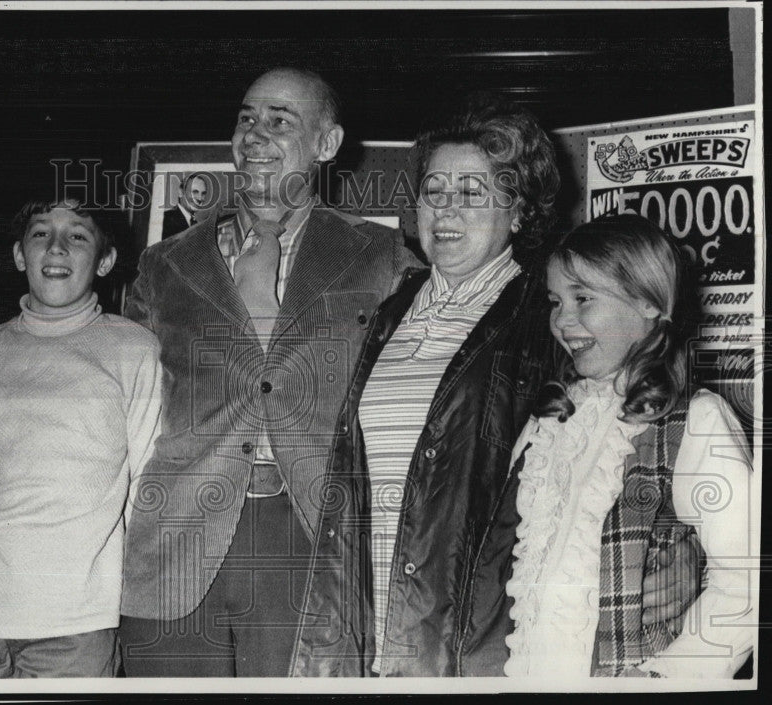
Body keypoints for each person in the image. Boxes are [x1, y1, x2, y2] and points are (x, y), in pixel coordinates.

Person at [0, 67, 421, 677]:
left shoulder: (381, 257)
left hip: (312, 535)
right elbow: (88, 346)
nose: (255, 134)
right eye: (246, 118)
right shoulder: (165, 263)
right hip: (176, 539)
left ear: (326, 144)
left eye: (279, 120)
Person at [291, 95, 701, 677]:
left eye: (472, 192)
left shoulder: (549, 314)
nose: (447, 209)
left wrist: (684, 546)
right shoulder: (391, 312)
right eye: (435, 190)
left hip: (483, 639)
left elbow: (644, 421)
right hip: (366, 621)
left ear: (518, 210)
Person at [503, 214, 753, 678]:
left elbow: (749, 578)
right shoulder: (551, 419)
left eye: (583, 299)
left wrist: (670, 677)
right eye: (556, 301)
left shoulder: (695, 420)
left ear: (648, 302)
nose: (562, 320)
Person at [0, 199, 163, 678]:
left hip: (75, 627)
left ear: (105, 261)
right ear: (19, 255)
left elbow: (146, 490)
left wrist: (112, 604)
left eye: (77, 235)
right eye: (40, 234)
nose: (56, 247)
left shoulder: (134, 351)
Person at [161, 172, 209, 239]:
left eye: (203, 193)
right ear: (181, 192)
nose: (200, 198)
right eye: (195, 192)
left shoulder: (197, 225)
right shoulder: (166, 220)